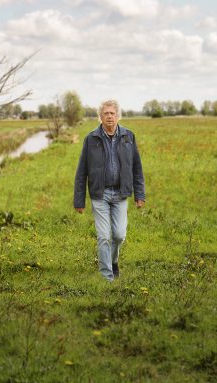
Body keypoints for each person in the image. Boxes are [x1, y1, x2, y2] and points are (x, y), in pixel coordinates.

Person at [74, 99, 145, 282]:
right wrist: (79, 201)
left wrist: (140, 195)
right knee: (104, 236)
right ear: (100, 116)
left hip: (121, 193)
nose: (109, 117)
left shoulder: (128, 136)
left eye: (112, 113)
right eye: (106, 113)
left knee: (119, 235)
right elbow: (81, 171)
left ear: (118, 115)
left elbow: (136, 167)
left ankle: (113, 261)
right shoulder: (91, 139)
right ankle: (108, 278)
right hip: (100, 194)